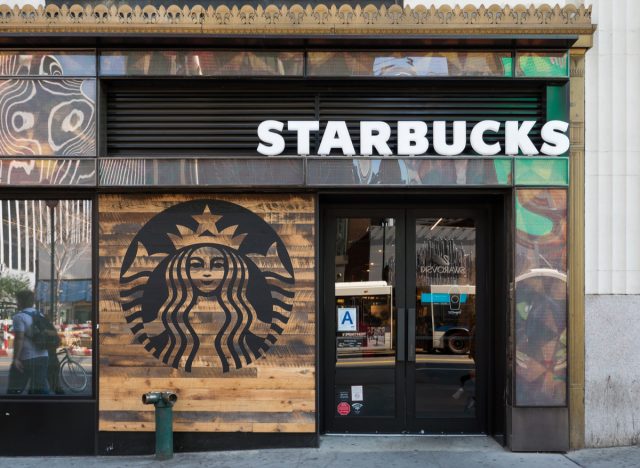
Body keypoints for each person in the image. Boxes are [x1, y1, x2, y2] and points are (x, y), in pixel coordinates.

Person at [7, 290, 50, 395]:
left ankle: (10, 406)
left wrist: (16, 359)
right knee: (38, 391)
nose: (17, 303)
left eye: (17, 300)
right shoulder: (41, 315)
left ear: (21, 301)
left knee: (14, 390)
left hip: (26, 358)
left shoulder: (19, 317)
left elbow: (19, 339)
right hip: (43, 357)